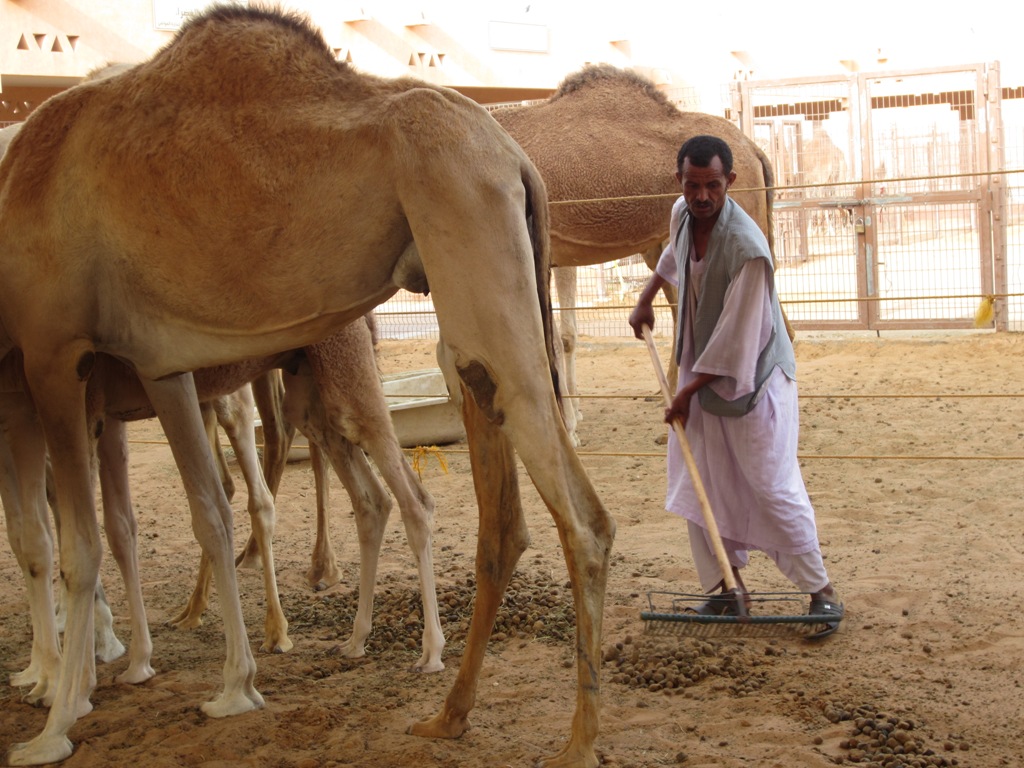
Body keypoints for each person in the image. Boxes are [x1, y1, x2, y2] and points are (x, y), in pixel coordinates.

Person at [628, 134, 843, 637]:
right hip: (702, 374)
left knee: (769, 483)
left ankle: (822, 594)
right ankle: (728, 589)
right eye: (693, 184)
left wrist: (685, 391)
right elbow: (671, 259)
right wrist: (646, 298)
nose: (702, 196)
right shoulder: (683, 213)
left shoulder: (748, 249)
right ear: (679, 181)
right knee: (696, 478)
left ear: (732, 182)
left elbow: (738, 342)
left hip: (755, 381)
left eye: (713, 186)